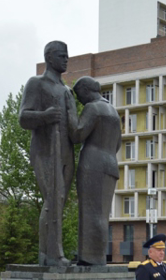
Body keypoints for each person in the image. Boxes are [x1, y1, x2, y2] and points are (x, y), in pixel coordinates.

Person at [19, 41, 76, 267]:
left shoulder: (66, 90)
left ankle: (48, 253)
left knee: (59, 202)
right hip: (45, 151)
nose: (66, 60)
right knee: (53, 200)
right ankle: (52, 254)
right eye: (62, 56)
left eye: (67, 56)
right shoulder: (37, 84)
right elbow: (23, 117)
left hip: (65, 151)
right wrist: (45, 116)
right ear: (49, 57)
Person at [68, 76, 121, 266]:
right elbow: (118, 144)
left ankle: (88, 257)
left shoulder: (93, 108)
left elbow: (77, 134)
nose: (79, 100)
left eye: (79, 95)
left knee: (89, 212)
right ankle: (98, 257)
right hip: (110, 163)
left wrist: (70, 111)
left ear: (85, 91)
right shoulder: (113, 111)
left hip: (93, 163)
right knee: (101, 214)